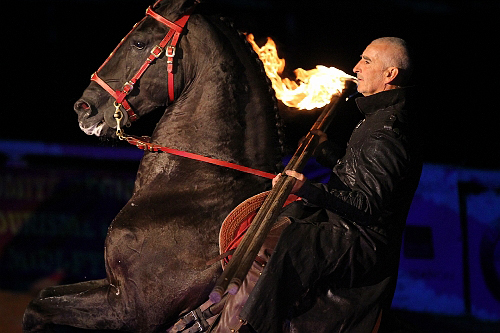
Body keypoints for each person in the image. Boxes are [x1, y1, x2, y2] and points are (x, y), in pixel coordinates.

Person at [237, 37, 423, 332]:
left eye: (367, 61)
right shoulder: (377, 119)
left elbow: (367, 204)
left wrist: (307, 188)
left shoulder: (387, 130)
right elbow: (358, 178)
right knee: (288, 218)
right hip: (351, 227)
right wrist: (326, 151)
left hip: (364, 240)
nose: (356, 67)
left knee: (295, 241)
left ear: (390, 74)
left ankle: (254, 326)